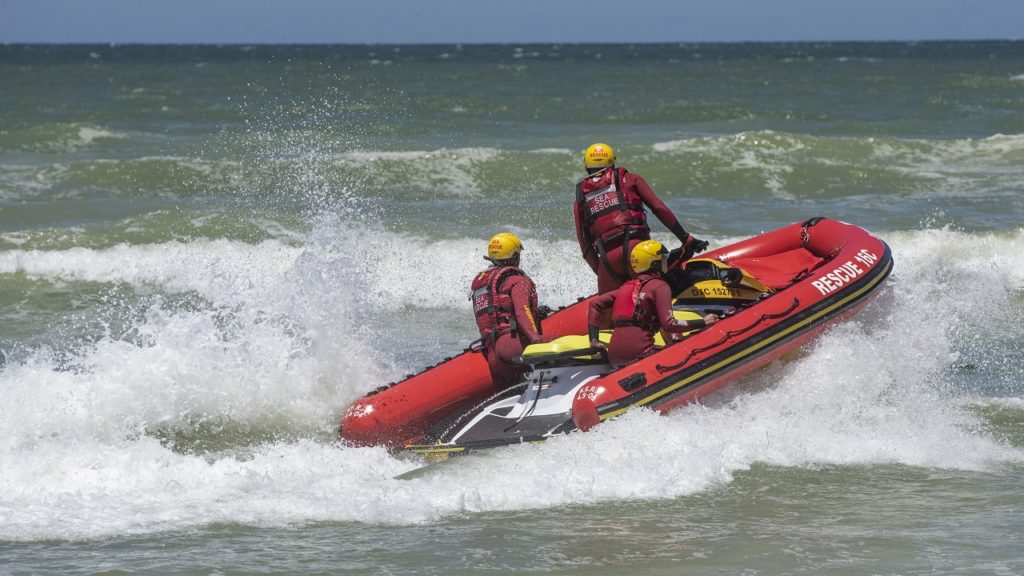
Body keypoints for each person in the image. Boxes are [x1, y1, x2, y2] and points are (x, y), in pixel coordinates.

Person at [574, 142, 709, 294]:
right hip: (638, 251)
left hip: (608, 261)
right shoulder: (630, 179)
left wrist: (604, 273)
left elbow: (584, 245)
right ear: (612, 161)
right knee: (670, 285)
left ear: (587, 166)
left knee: (608, 311)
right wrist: (685, 238)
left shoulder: (581, 198)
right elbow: (658, 208)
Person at [587, 240, 718, 368]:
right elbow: (670, 324)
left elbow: (595, 304)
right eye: (664, 259)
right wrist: (702, 322)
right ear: (655, 263)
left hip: (614, 357)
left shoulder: (625, 287)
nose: (666, 262)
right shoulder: (660, 286)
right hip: (640, 354)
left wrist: (594, 340)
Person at [471, 232, 549, 388]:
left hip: (492, 354)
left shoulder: (483, 282)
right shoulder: (515, 279)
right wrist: (535, 339)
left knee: (509, 393)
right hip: (512, 345)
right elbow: (522, 311)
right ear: (514, 256)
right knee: (559, 341)